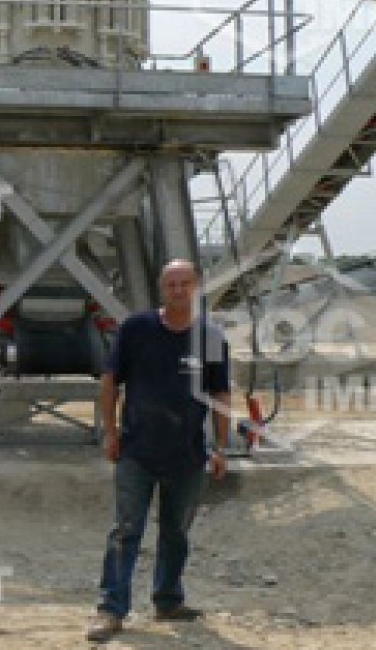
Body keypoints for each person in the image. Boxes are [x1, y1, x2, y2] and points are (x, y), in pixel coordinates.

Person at [86, 260, 231, 643]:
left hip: (187, 455)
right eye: (171, 284)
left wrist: (221, 446)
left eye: (185, 283)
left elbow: (221, 395)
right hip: (137, 450)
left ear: (197, 287)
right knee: (125, 529)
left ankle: (168, 600)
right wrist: (111, 432)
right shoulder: (136, 329)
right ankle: (110, 609)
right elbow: (110, 381)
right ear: (161, 289)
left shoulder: (211, 338)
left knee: (176, 532)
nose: (179, 290)